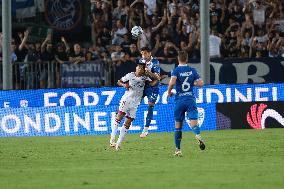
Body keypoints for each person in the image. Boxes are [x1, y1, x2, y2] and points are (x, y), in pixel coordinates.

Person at [110, 63, 157, 151]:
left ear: (143, 70)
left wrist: (157, 80)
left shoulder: (145, 77)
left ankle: (118, 144)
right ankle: (112, 140)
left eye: (141, 68)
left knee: (128, 122)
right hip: (126, 99)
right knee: (119, 117)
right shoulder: (130, 75)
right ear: (136, 68)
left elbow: (152, 83)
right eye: (138, 67)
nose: (139, 69)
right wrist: (124, 85)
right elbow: (119, 81)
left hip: (135, 103)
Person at [167, 51, 205, 157]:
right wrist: (193, 83)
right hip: (190, 100)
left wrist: (169, 91)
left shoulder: (176, 70)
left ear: (178, 59)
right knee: (194, 123)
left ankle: (178, 150)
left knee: (178, 127)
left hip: (179, 101)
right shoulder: (192, 70)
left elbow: (172, 82)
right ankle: (197, 134)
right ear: (187, 59)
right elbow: (201, 84)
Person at [139, 46, 161, 138]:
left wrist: (149, 73)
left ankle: (146, 129)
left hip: (153, 87)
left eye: (145, 53)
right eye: (142, 53)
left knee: (150, 105)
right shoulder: (141, 61)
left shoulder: (155, 62)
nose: (143, 55)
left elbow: (158, 78)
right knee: (133, 102)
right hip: (144, 86)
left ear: (149, 53)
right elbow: (139, 73)